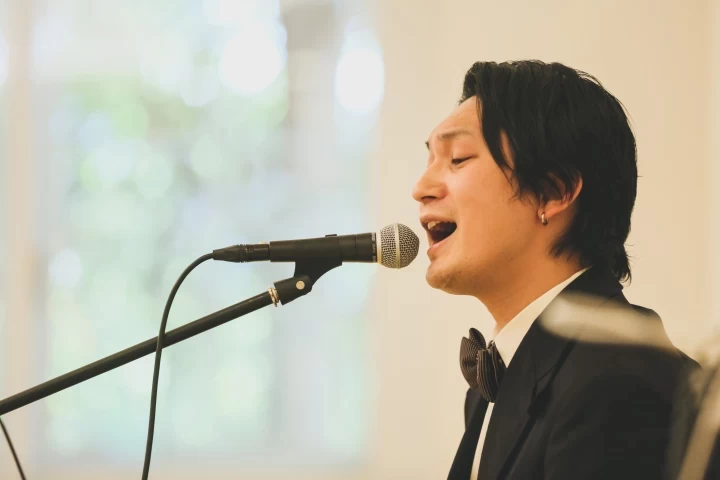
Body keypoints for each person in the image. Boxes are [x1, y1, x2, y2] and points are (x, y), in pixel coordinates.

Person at [412, 60, 697, 480]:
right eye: (430, 160)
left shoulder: (619, 378)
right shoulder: (500, 381)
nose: (420, 189)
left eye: (457, 159)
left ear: (553, 191)